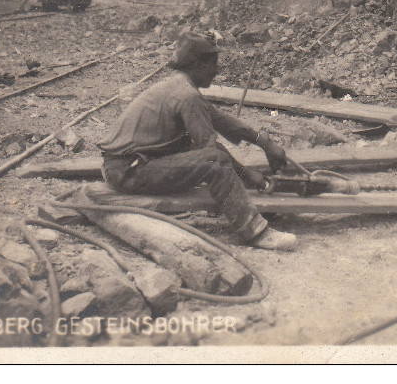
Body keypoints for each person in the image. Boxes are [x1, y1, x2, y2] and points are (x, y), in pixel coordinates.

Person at [97, 32, 298, 251]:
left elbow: (222, 120)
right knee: (215, 162)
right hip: (129, 172)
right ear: (198, 64)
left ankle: (247, 208)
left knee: (206, 155)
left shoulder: (179, 86)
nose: (216, 70)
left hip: (126, 166)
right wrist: (247, 174)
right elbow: (212, 153)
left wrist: (265, 143)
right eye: (213, 64)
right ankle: (256, 232)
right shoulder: (187, 96)